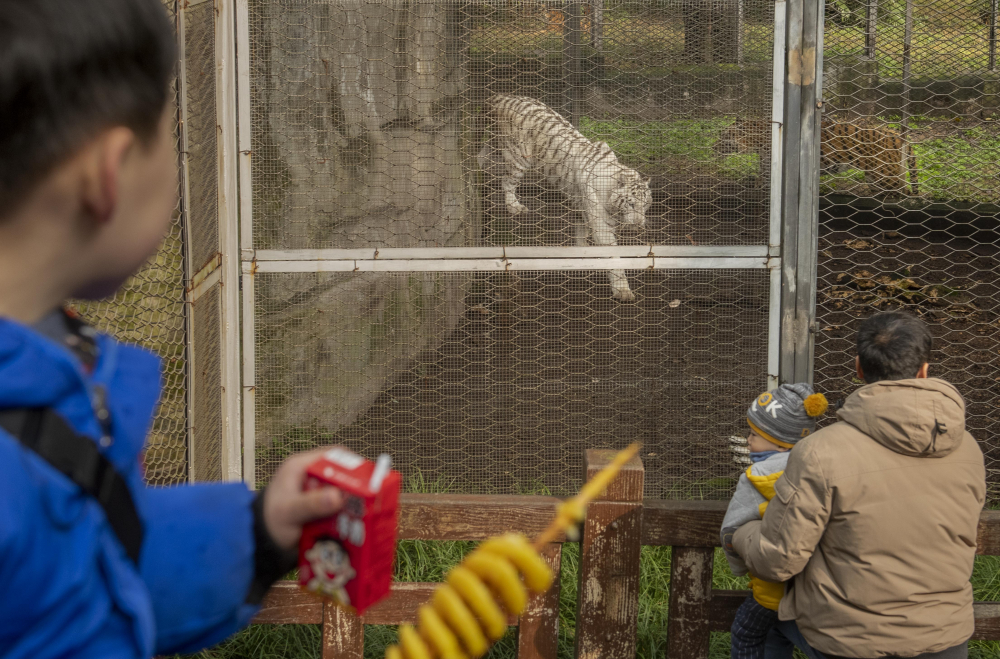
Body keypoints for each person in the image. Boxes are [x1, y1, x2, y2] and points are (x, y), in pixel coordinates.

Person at [0, 2, 348, 657]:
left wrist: (259, 529)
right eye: (172, 134)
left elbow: (95, 554)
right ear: (110, 173)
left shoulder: (48, 366)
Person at [732, 311, 986, 659]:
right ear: (924, 370)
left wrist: (740, 533)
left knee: (769, 625)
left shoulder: (821, 451)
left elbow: (778, 561)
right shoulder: (968, 447)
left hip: (851, 641)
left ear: (858, 368)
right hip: (946, 638)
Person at [721, 384, 828, 659]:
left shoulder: (756, 477)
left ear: (780, 443)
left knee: (747, 632)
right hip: (816, 588)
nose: (748, 440)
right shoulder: (822, 470)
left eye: (755, 435)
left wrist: (739, 567)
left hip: (770, 589)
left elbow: (731, 529)